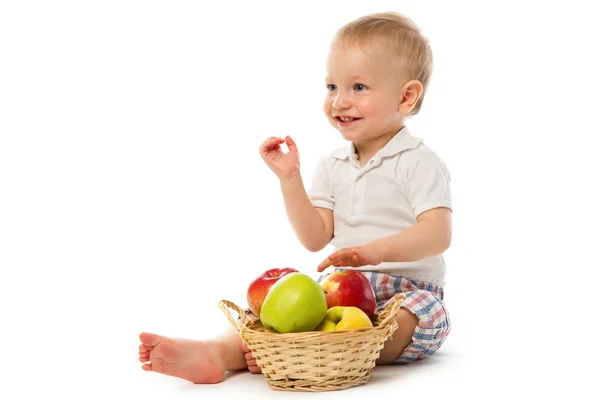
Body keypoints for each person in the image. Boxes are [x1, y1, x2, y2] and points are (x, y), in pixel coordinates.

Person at [138, 11, 452, 384]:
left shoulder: (418, 160)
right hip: (344, 285)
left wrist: (376, 253)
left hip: (409, 292)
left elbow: (437, 233)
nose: (339, 101)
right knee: (281, 306)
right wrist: (290, 178)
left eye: (358, 88)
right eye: (332, 86)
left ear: (406, 97)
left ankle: (308, 353)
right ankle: (216, 352)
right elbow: (315, 237)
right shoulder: (333, 164)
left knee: (412, 318)